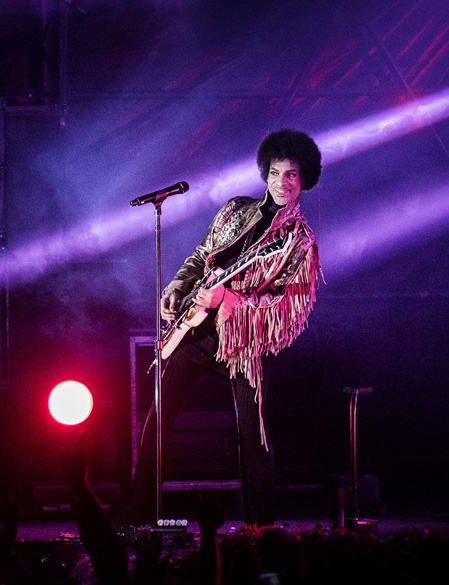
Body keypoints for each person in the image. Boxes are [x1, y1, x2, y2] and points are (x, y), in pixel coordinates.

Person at [124, 129, 323, 528]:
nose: (282, 183)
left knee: (254, 438)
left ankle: (259, 530)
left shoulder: (299, 242)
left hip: (244, 343)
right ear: (264, 174)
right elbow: (201, 255)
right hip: (196, 333)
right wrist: (178, 286)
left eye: (292, 175)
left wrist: (229, 302)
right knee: (157, 419)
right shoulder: (234, 210)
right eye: (275, 172)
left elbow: (287, 306)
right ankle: (139, 518)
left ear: (305, 180)